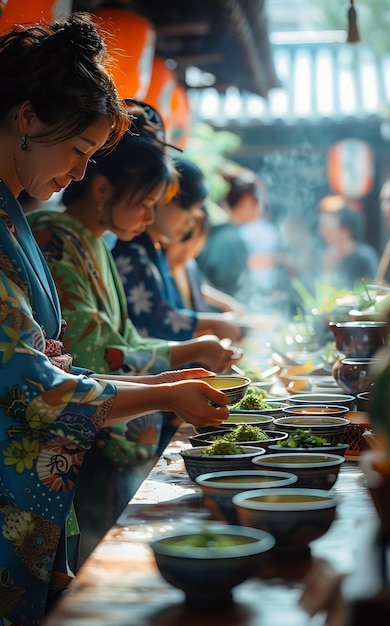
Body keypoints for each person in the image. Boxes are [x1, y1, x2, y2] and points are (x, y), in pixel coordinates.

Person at [0, 15, 231, 625]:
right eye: (78, 151)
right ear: (26, 119)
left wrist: (166, 388)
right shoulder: (42, 228)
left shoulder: (18, 219)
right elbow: (31, 384)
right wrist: (167, 388)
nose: (80, 173)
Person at [28, 101, 242, 557]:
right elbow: (99, 353)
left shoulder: (94, 244)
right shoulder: (54, 234)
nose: (149, 219)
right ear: (103, 190)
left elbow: (122, 340)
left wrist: (187, 356)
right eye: (145, 204)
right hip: (81, 439)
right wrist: (179, 366)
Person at [111, 156, 243, 342]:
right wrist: (214, 324)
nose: (189, 224)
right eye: (190, 212)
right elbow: (159, 321)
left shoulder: (153, 252)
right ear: (165, 200)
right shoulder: (132, 254)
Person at [196, 167, 265, 302]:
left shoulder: (220, 232)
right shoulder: (231, 239)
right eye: (259, 200)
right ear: (247, 200)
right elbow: (233, 286)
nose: (261, 206)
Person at [163, 206, 247, 315]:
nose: (186, 252)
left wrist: (228, 304)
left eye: (195, 245)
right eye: (183, 241)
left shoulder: (189, 266)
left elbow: (199, 289)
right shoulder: (160, 268)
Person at [318, 205, 380, 291]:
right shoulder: (330, 258)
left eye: (327, 228)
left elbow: (372, 293)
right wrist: (328, 271)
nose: (322, 232)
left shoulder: (363, 258)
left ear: (345, 231)